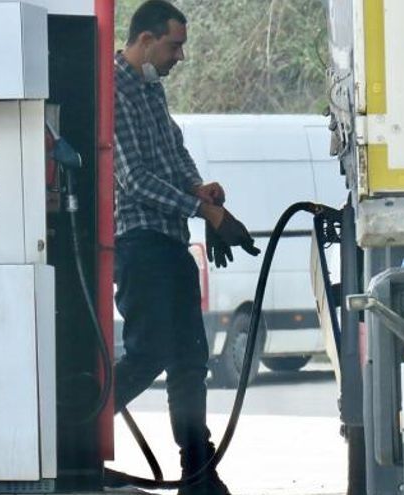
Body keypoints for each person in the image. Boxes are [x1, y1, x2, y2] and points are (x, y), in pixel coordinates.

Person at [112, 2, 259, 494]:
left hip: (170, 240)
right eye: (174, 45)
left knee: (190, 361)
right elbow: (132, 179)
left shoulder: (151, 90)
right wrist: (208, 214)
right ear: (146, 40)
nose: (181, 56)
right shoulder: (112, 90)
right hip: (138, 242)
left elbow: (173, 153)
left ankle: (197, 471)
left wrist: (200, 190)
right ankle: (71, 441)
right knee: (149, 352)